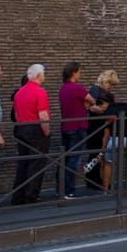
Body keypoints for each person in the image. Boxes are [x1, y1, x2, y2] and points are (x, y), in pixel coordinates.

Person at [9, 63, 51, 207]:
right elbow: (43, 116)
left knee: (23, 163)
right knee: (37, 163)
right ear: (39, 75)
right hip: (35, 130)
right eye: (44, 73)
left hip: (21, 129)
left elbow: (16, 113)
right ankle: (31, 196)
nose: (44, 76)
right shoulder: (40, 92)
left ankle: (18, 196)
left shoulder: (19, 92)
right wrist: (47, 131)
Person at [57, 62, 89, 199]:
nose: (80, 74)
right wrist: (85, 104)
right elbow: (91, 100)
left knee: (64, 158)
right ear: (74, 72)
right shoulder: (78, 88)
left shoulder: (62, 88)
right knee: (74, 160)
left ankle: (61, 189)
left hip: (66, 127)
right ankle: (69, 190)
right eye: (79, 71)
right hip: (78, 127)